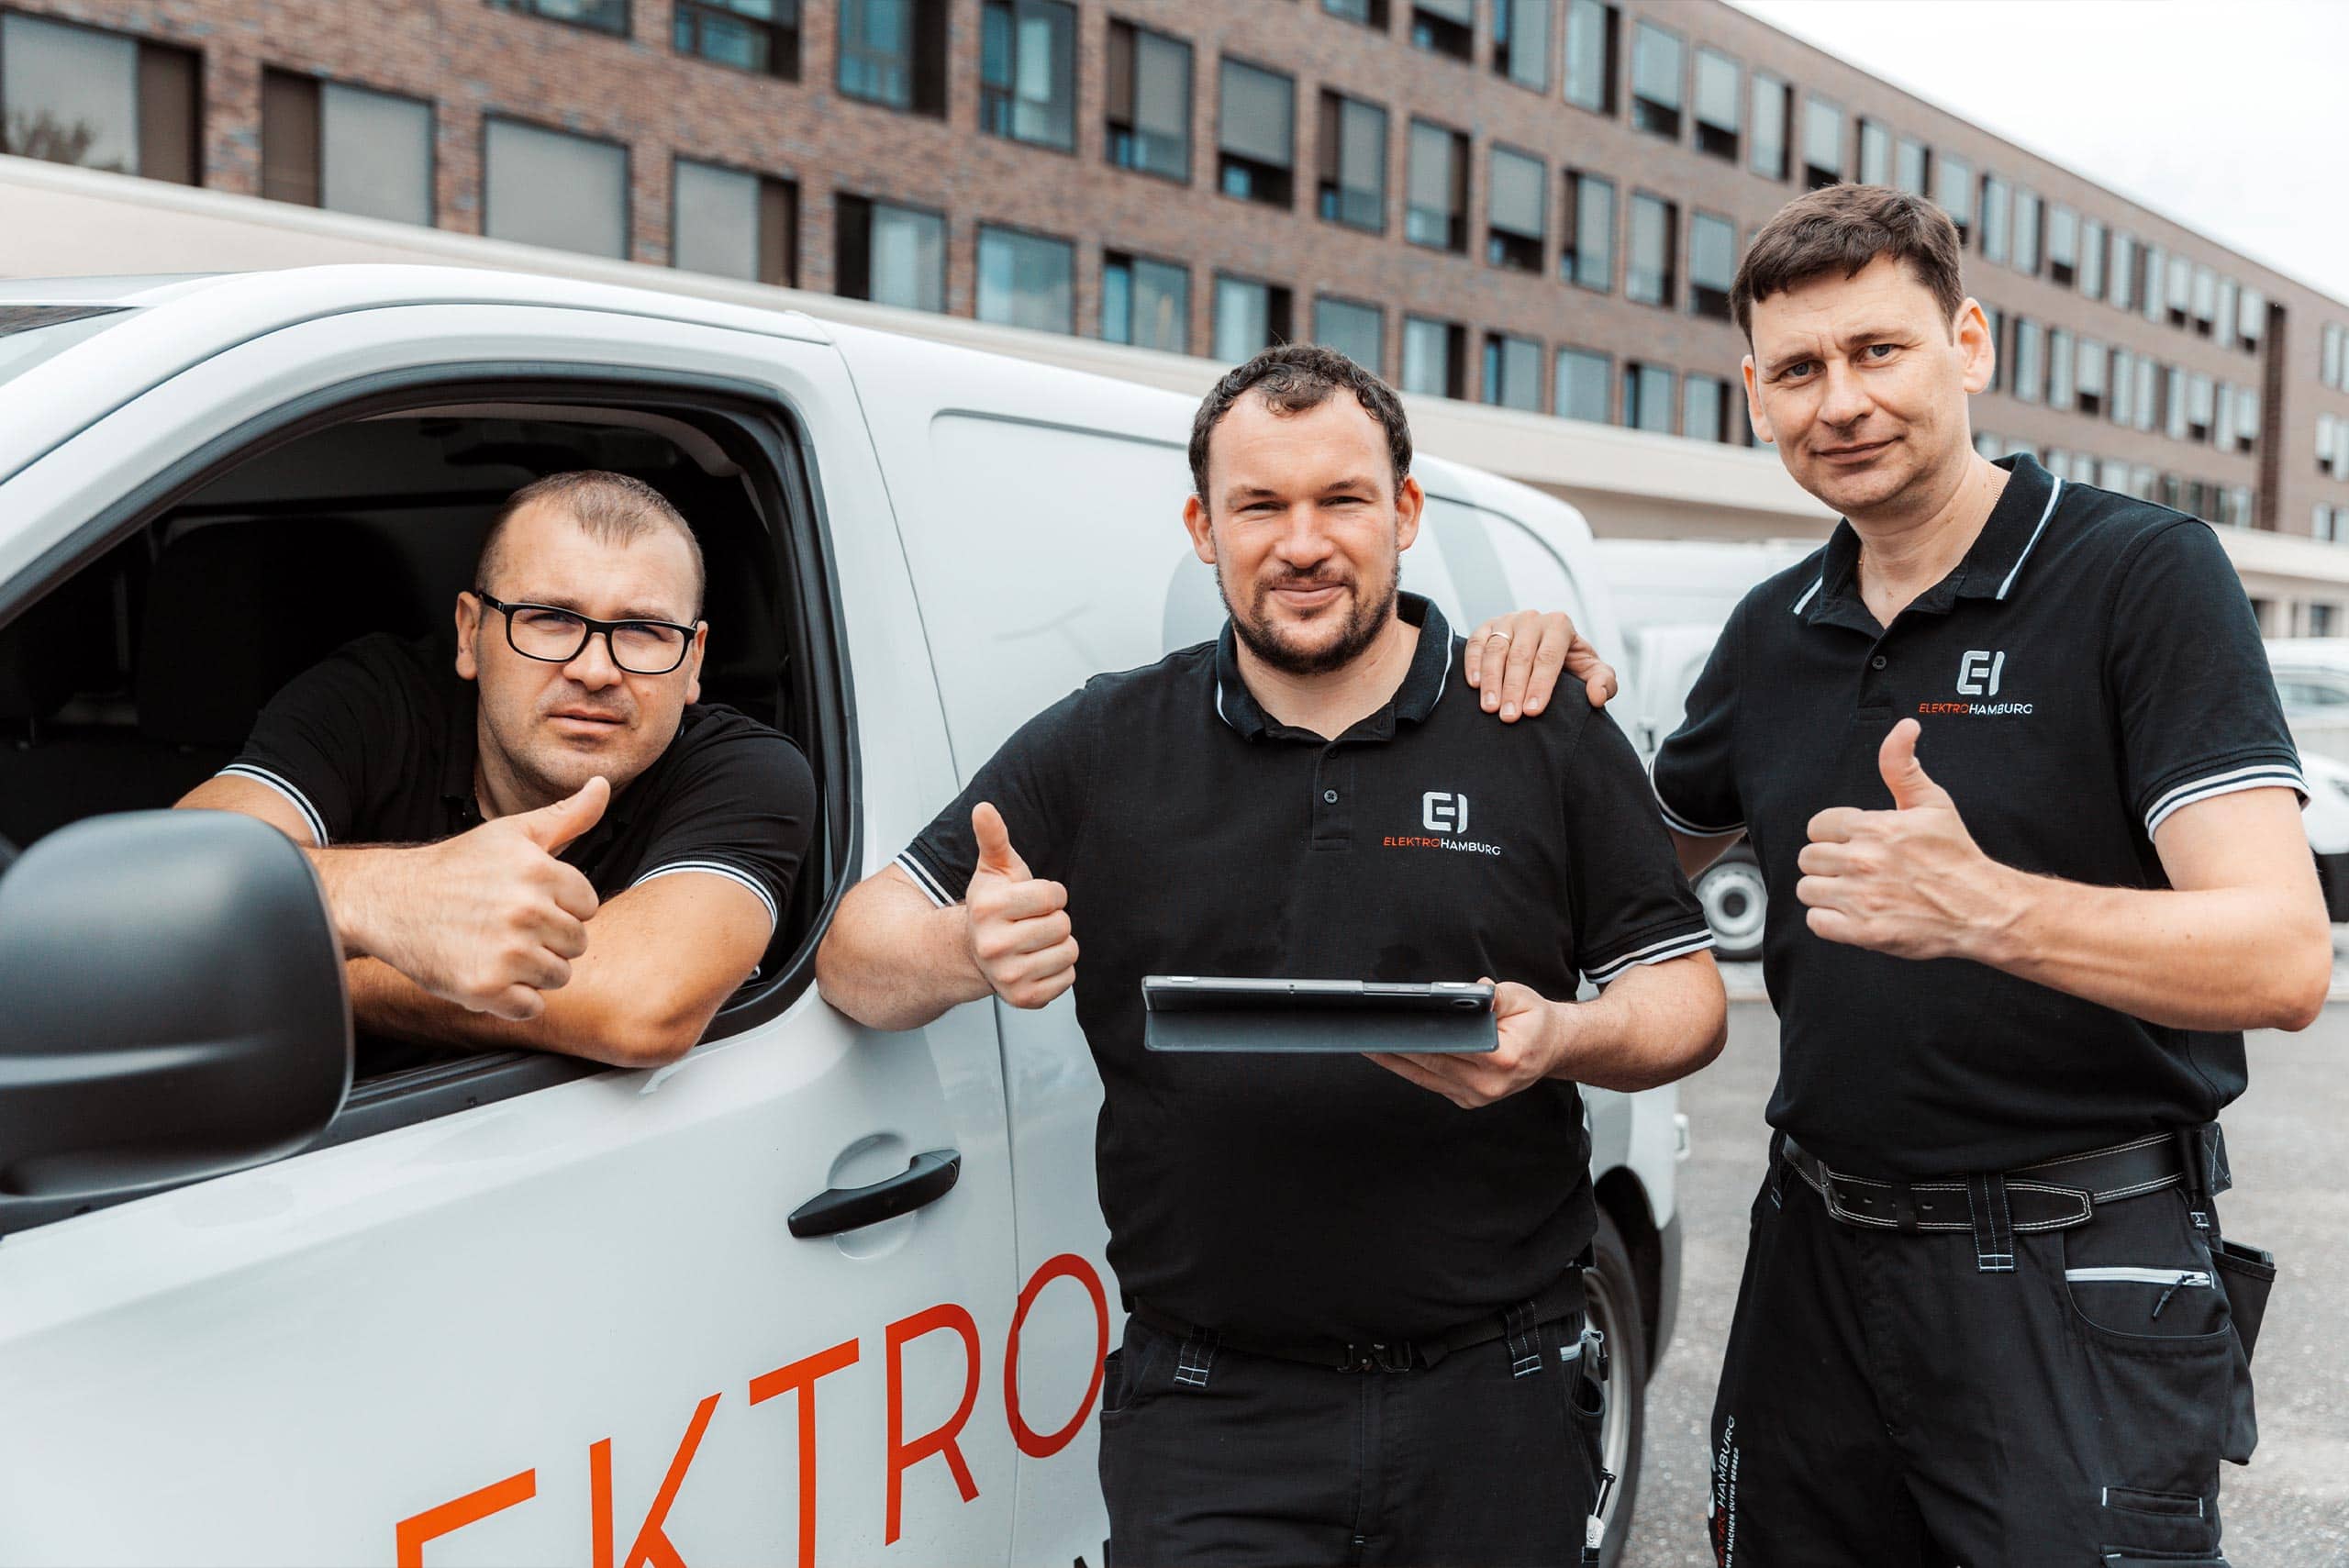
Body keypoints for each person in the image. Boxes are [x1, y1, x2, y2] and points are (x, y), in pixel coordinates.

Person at [1501, 184, 2329, 1565]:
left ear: (1970, 344)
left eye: (1879, 351)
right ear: (1755, 392)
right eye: (1799, 370)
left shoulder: (2139, 575)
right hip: (1817, 1258)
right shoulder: (1778, 630)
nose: (1841, 402)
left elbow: (2283, 956)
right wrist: (1556, 715)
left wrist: (1986, 906)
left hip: (2075, 1266)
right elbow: (1644, 868)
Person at [816, 344, 1726, 1566]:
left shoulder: (1535, 727)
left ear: (1402, 511)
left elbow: (1689, 999)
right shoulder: (1104, 740)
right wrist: (963, 946)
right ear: (1205, 525)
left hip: (1492, 1400)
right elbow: (856, 955)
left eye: (1341, 499)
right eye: (1260, 505)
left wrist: (1567, 1037)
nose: (1303, 542)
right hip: (1207, 1414)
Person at [177, 470, 814, 1069]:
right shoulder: (374, 700)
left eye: (643, 629)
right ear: (470, 633)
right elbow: (182, 878)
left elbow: (640, 1004)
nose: (595, 669)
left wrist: (322, 964)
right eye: (551, 619)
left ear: (694, 658)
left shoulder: (746, 769)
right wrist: (399, 894)